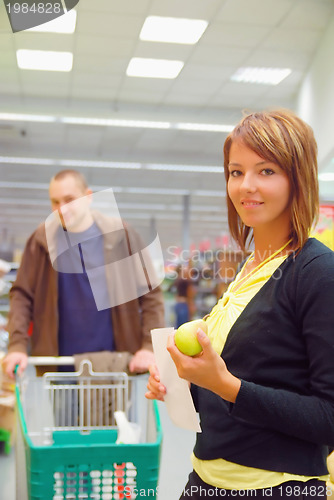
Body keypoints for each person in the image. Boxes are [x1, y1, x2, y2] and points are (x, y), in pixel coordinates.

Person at [146, 109, 334, 499]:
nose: (246, 185)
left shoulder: (317, 272)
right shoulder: (251, 266)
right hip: (206, 481)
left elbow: (328, 416)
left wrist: (227, 386)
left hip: (276, 488)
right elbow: (255, 377)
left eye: (266, 171)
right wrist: (184, 380)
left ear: (297, 177)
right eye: (236, 172)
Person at [3, 169, 165, 378]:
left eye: (69, 200)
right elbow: (22, 295)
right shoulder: (42, 240)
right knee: (64, 411)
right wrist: (17, 345)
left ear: (88, 196)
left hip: (115, 366)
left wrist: (149, 347)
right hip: (58, 366)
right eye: (55, 202)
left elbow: (150, 295)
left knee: (118, 413)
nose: (62, 209)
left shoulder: (121, 235)